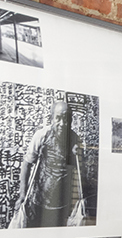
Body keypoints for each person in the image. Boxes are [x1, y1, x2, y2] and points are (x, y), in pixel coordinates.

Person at [11, 95, 88, 228]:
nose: (62, 124)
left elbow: (80, 173)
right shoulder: (41, 136)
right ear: (51, 118)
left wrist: (78, 156)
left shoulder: (74, 139)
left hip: (62, 205)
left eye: (66, 119)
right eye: (58, 118)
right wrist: (22, 194)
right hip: (37, 202)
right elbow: (27, 164)